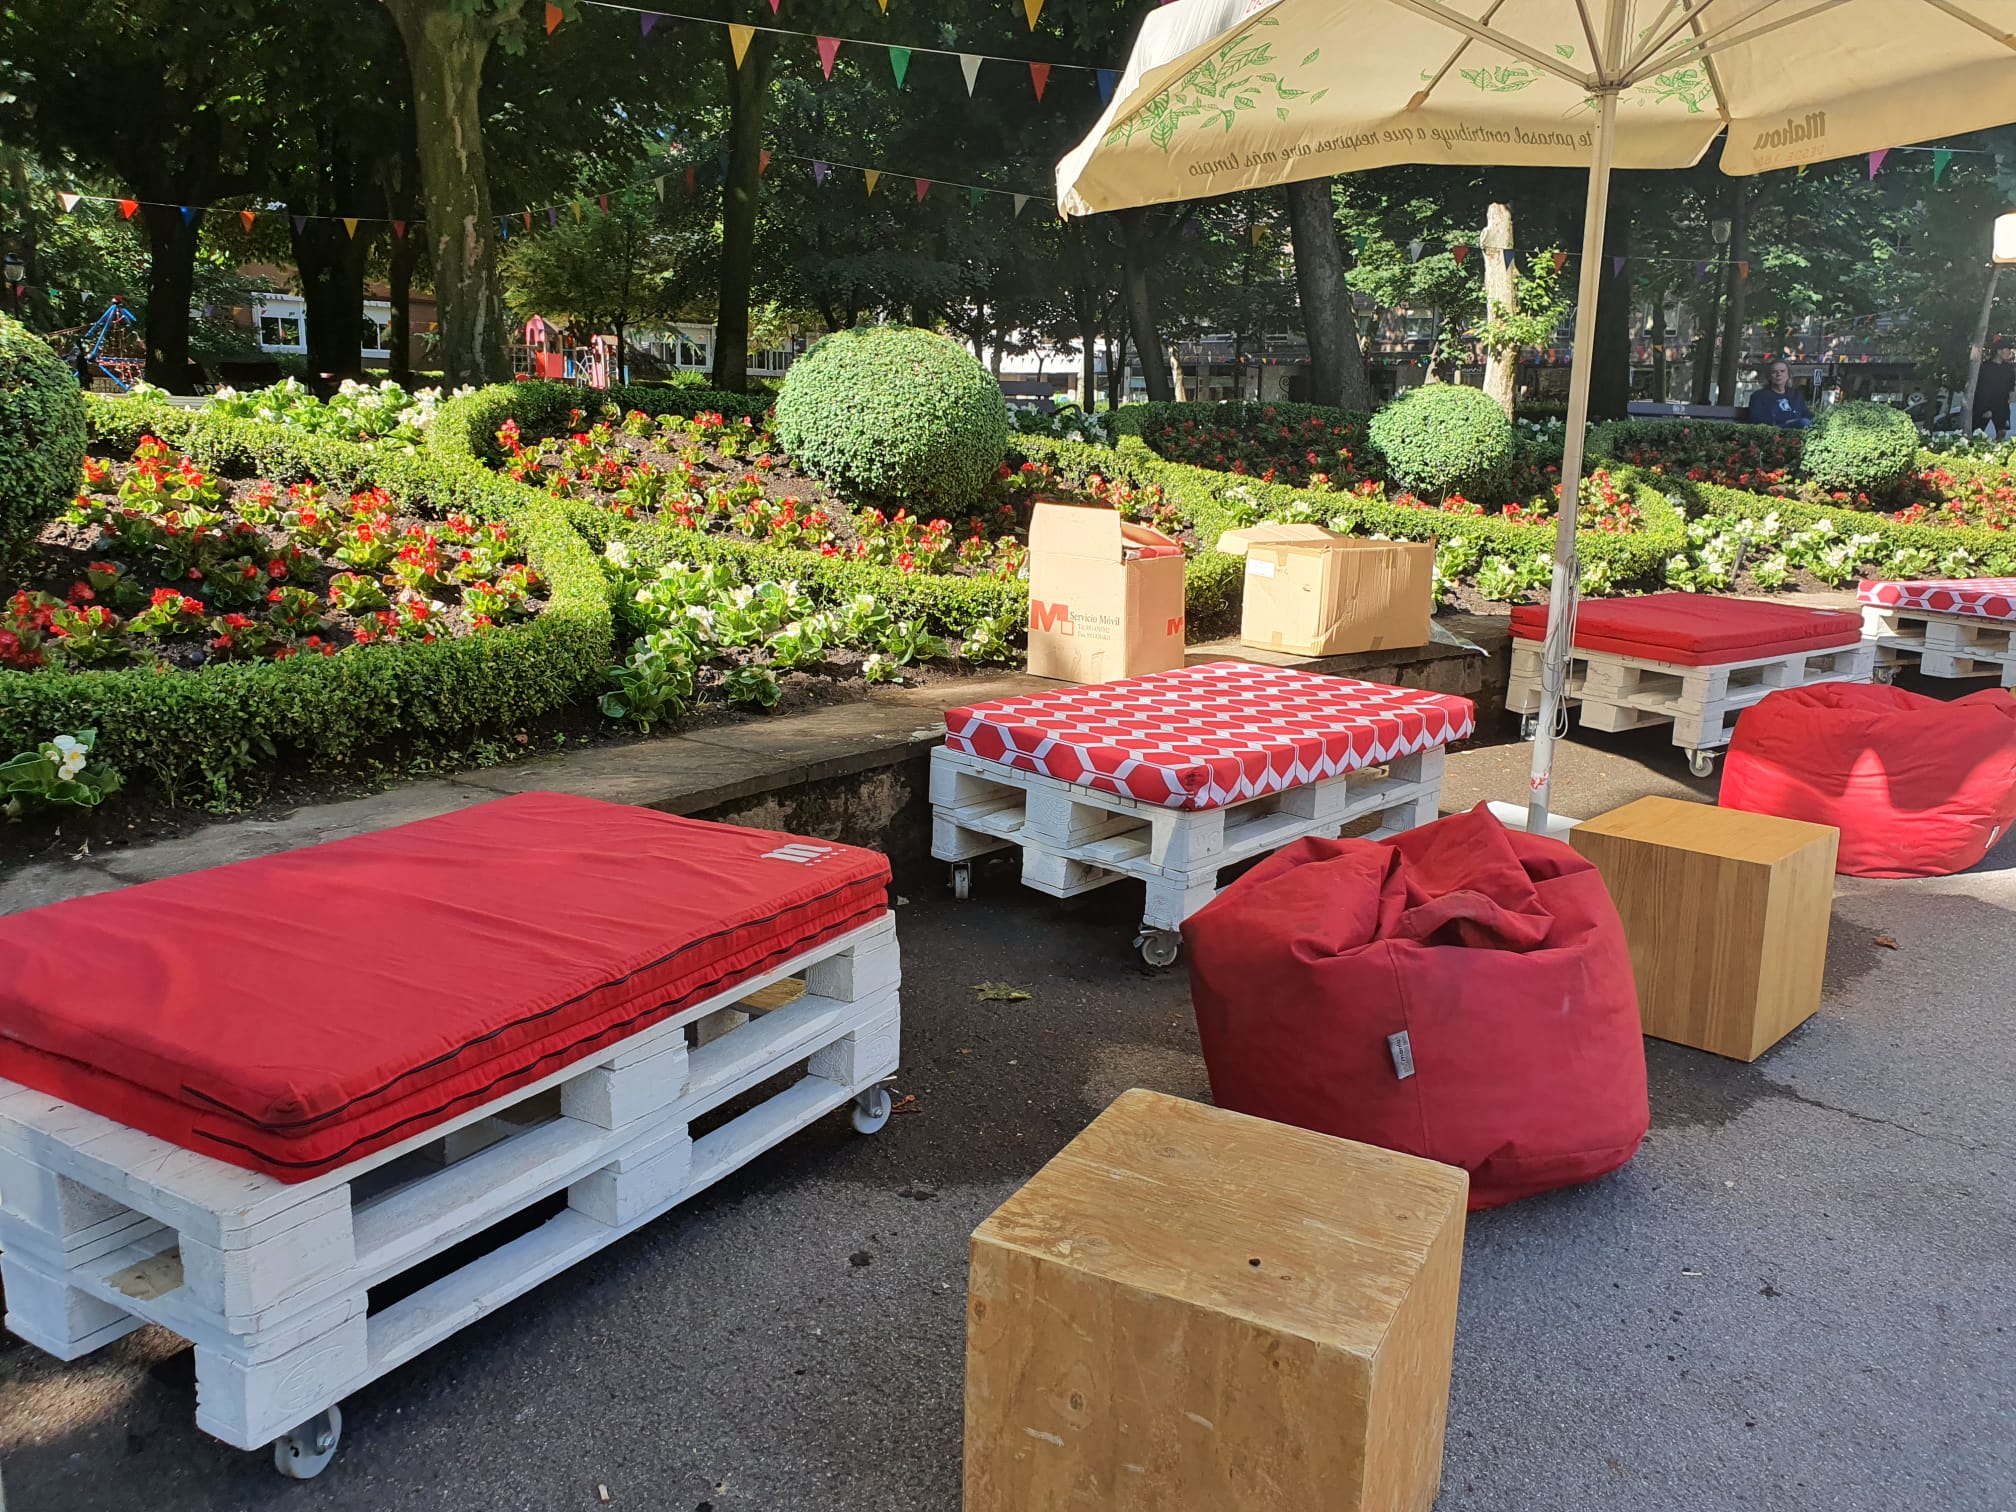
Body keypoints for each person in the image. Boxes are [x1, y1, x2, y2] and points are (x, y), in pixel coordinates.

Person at [1745, 360, 1812, 428]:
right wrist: (1786, 422)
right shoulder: (1758, 396)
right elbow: (1757, 420)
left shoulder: (1796, 395)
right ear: (1769, 376)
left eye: (1782, 371)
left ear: (1788, 375)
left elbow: (1807, 415)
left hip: (1799, 433)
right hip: (1774, 432)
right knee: (1804, 422)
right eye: (1774, 372)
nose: (1778, 374)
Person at [1973, 338, 2014, 437]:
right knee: (1979, 433)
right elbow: (1981, 390)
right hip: (1986, 406)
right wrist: (1985, 408)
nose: (2009, 352)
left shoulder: (2008, 368)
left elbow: (2010, 387)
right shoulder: (1985, 367)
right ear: (1999, 351)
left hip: (2002, 406)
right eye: (2007, 349)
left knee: (2002, 433)